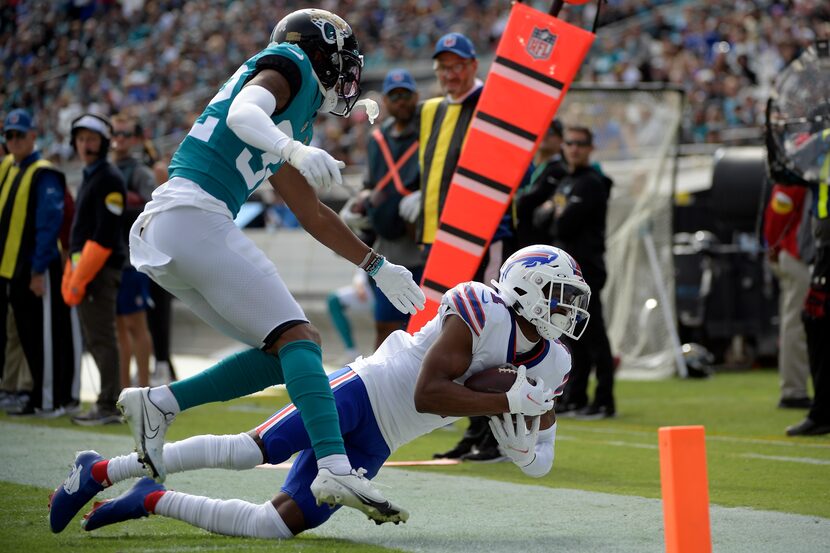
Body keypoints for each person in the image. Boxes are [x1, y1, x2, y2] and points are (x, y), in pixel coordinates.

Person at [117, 9, 425, 522]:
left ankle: (160, 403)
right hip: (193, 214)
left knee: (281, 351)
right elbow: (243, 113)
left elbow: (313, 214)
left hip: (177, 227)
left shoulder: (290, 115)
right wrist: (292, 147)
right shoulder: (292, 63)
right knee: (302, 338)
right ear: (321, 51)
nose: (346, 77)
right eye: (343, 62)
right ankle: (333, 466)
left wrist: (377, 265)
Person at [48, 244, 584, 538]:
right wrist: (505, 403)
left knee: (273, 526)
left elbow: (544, 459)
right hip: (362, 391)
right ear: (525, 285)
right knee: (247, 451)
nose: (568, 310)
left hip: (382, 442)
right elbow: (429, 393)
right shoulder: (481, 307)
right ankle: (97, 471)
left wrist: (523, 452)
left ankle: (153, 499)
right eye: (561, 295)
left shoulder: (553, 360)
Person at [407, 32, 517, 462]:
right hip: (438, 239)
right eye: (442, 69)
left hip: (483, 234)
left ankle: (495, 431)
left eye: (457, 67)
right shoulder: (431, 110)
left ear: (474, 66)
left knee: (487, 332)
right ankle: (475, 429)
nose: (449, 75)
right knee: (451, 333)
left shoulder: (491, 104)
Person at [535, 125, 616, 419]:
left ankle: (605, 400)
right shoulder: (567, 182)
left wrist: (555, 215)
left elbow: (562, 224)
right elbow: (540, 219)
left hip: (588, 270)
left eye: (581, 144)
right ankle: (576, 396)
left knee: (594, 336)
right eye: (570, 143)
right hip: (567, 274)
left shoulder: (592, 183)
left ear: (590, 148)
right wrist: (554, 214)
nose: (575, 148)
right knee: (572, 336)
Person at [0, 108, 77, 417]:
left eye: (20, 135)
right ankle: (34, 395)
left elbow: (49, 224)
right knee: (22, 335)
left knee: (41, 337)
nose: (15, 140)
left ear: (34, 135)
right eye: (10, 135)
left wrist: (37, 270)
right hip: (9, 271)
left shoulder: (44, 173)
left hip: (33, 269)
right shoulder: (7, 167)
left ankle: (48, 400)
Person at [63, 112, 127, 425]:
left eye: (91, 140)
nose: (85, 145)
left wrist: (84, 273)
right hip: (90, 268)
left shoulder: (109, 177)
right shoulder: (93, 174)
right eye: (81, 139)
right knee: (98, 338)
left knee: (102, 338)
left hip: (100, 270)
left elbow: (104, 233)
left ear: (102, 144)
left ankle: (107, 405)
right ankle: (106, 403)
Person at [363, 68, 424, 346]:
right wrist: (359, 203)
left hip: (419, 243)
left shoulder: (428, 132)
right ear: (385, 102)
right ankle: (379, 386)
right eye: (394, 95)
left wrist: (427, 194)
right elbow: (370, 182)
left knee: (421, 327)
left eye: (406, 94)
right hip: (386, 245)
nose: (401, 100)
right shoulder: (376, 139)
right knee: (385, 328)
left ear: (416, 96)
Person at [111, 113, 155, 389]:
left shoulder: (140, 172)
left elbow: (152, 210)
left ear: (135, 139)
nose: (119, 140)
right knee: (118, 330)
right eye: (115, 134)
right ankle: (123, 389)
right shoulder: (105, 168)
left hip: (132, 261)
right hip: (109, 259)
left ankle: (143, 390)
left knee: (136, 327)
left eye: (125, 134)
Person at [763, 182, 813, 409]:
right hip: (800, 255)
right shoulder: (806, 157)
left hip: (806, 253)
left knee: (796, 323)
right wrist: (773, 243)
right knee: (797, 323)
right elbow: (781, 205)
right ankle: (794, 391)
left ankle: (795, 389)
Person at [514, 119, 567, 249]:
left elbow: (531, 200)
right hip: (519, 237)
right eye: (541, 131)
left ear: (560, 140)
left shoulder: (562, 170)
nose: (544, 135)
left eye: (550, 132)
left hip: (542, 243)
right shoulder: (527, 166)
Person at [326, 269, 374, 363]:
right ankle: (351, 351)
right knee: (334, 300)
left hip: (391, 290)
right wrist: (359, 284)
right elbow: (363, 268)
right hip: (370, 289)